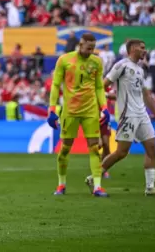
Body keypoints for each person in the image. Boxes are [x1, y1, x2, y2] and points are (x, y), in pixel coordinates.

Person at [91, 39, 155, 196]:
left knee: (151, 147)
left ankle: (150, 187)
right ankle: (94, 177)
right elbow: (103, 85)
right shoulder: (121, 66)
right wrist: (101, 102)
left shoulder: (140, 70)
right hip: (128, 115)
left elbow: (146, 94)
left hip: (142, 114)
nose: (145, 51)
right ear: (133, 49)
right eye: (142, 48)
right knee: (121, 152)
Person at [47, 33, 109, 197]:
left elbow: (99, 87)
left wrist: (104, 107)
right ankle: (61, 184)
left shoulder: (97, 62)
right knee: (65, 149)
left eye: (93, 48)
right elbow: (55, 85)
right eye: (88, 48)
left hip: (90, 111)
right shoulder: (65, 60)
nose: (91, 51)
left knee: (95, 149)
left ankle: (97, 186)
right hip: (70, 112)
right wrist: (52, 109)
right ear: (80, 45)